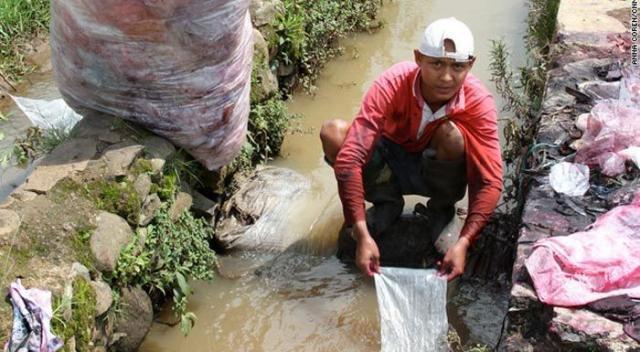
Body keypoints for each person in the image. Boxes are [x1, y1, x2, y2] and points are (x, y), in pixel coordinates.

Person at [319, 17, 503, 280]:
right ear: (418, 58)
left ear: (471, 65)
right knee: (334, 134)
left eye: (458, 66)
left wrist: (464, 243)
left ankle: (442, 210)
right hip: (390, 160)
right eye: (436, 64)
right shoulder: (393, 83)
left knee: (452, 136)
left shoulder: (479, 102)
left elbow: (490, 179)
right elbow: (350, 158)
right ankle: (387, 203)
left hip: (435, 169)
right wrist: (359, 232)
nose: (447, 77)